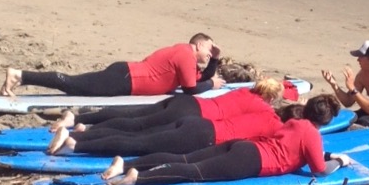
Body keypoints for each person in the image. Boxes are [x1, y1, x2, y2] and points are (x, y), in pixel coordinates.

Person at [104, 94, 348, 185]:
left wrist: (326, 154)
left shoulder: (292, 123)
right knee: (194, 172)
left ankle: (125, 165)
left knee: (184, 158)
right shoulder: (312, 134)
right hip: (252, 160)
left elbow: (299, 149)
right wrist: (339, 161)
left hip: (244, 146)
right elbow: (319, 170)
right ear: (325, 121)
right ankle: (139, 178)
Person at [46, 77, 285, 156]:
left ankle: (82, 124)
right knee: (138, 132)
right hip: (194, 115)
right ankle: (78, 138)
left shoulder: (244, 90)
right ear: (272, 98)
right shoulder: (262, 108)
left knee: (134, 118)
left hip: (187, 102)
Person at [0, 33, 224, 98]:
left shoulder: (186, 57)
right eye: (209, 49)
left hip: (126, 77)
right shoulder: (185, 53)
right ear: (199, 44)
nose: (209, 54)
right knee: (73, 84)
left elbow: (200, 80)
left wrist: (214, 60)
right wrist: (212, 84)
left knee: (75, 85)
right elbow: (191, 89)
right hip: (125, 79)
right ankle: (19, 75)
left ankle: (21, 76)